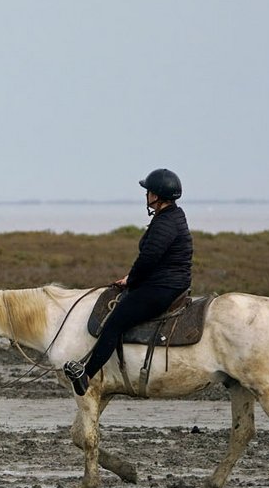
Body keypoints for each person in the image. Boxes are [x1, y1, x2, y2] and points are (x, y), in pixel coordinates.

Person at [64, 168, 192, 395]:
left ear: (156, 195)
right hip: (168, 282)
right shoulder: (173, 216)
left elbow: (148, 259)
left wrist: (132, 280)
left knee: (115, 322)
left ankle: (86, 375)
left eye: (148, 191)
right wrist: (130, 279)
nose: (146, 195)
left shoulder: (164, 223)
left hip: (163, 287)